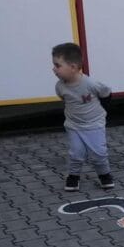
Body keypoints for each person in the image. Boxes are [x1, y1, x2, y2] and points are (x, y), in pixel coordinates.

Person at [52, 42, 113, 192]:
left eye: (57, 65)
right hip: (74, 126)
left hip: (94, 124)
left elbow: (106, 93)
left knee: (99, 153)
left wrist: (103, 111)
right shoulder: (60, 86)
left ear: (73, 67)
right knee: (76, 153)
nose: (54, 69)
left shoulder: (90, 83)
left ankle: (104, 174)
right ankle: (73, 176)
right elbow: (65, 100)